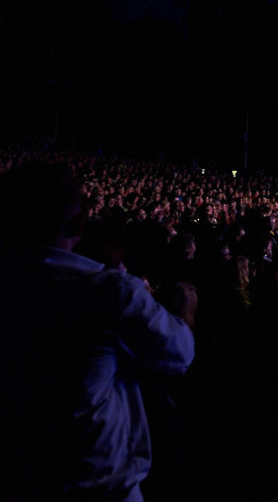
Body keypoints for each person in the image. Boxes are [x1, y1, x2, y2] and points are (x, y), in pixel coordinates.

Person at [0, 162, 196, 501]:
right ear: (78, 223)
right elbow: (178, 355)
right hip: (96, 482)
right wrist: (171, 308)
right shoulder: (108, 291)